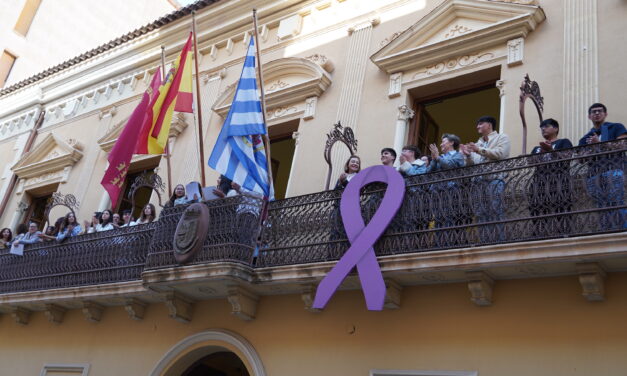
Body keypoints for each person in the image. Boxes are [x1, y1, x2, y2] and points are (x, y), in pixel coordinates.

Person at [460, 116, 511, 242]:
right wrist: (467, 156)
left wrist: (479, 150)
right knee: (480, 213)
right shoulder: (477, 143)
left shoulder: (502, 137)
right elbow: (472, 164)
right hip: (478, 182)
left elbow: (501, 153)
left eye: (480, 124)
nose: (477, 127)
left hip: (495, 179)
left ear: (489, 125)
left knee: (495, 210)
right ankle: (484, 241)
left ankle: (498, 241)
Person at [578, 103, 627, 229]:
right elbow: (581, 159)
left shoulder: (616, 127)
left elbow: (622, 145)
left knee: (616, 202)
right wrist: (590, 149)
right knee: (601, 206)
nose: (597, 113)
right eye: (593, 112)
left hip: (614, 170)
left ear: (605, 114)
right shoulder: (585, 138)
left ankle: (621, 231)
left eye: (600, 111)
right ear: (589, 116)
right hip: (594, 175)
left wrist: (600, 143)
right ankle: (607, 232)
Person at [528, 119, 574, 236]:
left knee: (562, 208)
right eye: (542, 127)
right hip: (540, 182)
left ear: (556, 129)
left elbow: (567, 158)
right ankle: (539, 235)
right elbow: (530, 162)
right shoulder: (537, 148)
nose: (543, 129)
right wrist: (542, 152)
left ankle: (563, 234)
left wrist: (551, 151)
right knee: (537, 209)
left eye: (547, 126)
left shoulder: (563, 142)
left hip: (559, 181)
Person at [427, 134, 468, 245]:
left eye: (443, 142)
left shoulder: (458, 155)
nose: (441, 144)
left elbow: (450, 166)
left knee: (449, 216)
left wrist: (438, 157)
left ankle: (448, 243)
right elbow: (429, 172)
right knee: (438, 217)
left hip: (451, 190)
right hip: (437, 191)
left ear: (451, 143)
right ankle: (438, 243)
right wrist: (434, 159)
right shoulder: (440, 157)